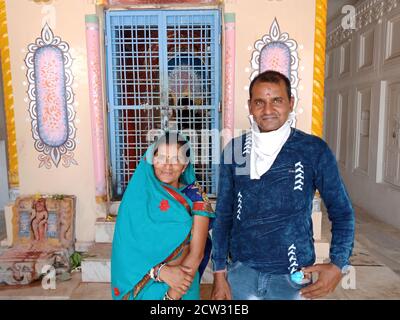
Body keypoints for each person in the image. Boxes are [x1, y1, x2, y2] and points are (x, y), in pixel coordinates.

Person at [211, 70, 355, 300]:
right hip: (241, 273)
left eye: (276, 100)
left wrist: (338, 264)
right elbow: (223, 215)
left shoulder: (313, 150)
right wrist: (219, 273)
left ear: (291, 103)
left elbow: (342, 212)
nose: (268, 110)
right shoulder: (236, 150)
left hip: (293, 278)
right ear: (250, 106)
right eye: (260, 102)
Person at [111, 131, 215, 300]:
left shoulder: (196, 197)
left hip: (182, 286)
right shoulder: (138, 197)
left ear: (184, 165)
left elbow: (196, 255)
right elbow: (126, 249)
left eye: (175, 159)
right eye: (161, 157)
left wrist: (171, 297)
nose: (167, 165)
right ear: (152, 160)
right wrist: (159, 271)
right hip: (144, 283)